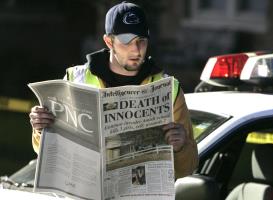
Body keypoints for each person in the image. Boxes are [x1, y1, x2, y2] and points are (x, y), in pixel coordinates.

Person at [29, 1, 198, 179]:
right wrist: (41, 129)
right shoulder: (75, 79)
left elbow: (188, 167)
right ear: (109, 41)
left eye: (141, 41)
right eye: (127, 41)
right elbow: (47, 151)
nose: (136, 49)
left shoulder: (169, 89)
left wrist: (181, 147)